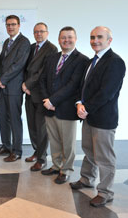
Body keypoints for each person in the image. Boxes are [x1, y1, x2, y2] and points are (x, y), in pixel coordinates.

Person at [70, 26, 125, 207]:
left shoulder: (115, 62)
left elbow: (107, 92)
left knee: (104, 157)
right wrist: (79, 103)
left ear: (109, 40)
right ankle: (86, 179)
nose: (95, 40)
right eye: (92, 37)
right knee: (89, 151)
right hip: (88, 115)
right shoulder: (93, 60)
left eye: (100, 37)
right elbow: (83, 87)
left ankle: (105, 192)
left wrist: (87, 108)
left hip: (103, 118)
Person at [40, 26, 88, 184]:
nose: (66, 40)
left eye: (69, 37)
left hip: (66, 108)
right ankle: (56, 165)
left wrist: (53, 101)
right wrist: (48, 101)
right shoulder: (52, 58)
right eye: (63, 37)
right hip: (49, 107)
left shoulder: (82, 60)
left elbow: (73, 85)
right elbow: (43, 80)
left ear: (75, 39)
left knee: (67, 143)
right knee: (54, 140)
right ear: (58, 39)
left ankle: (66, 169)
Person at [0, 15, 31, 162]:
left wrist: (3, 79)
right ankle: (6, 145)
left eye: (13, 24)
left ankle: (17, 151)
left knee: (15, 119)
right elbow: (2, 64)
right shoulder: (6, 42)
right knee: (3, 117)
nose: (10, 27)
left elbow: (18, 65)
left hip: (14, 87)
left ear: (19, 25)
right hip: (3, 87)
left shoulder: (24, 42)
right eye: (8, 25)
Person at [22, 23, 58, 171]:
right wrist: (24, 85)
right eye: (36, 32)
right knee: (32, 126)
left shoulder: (52, 49)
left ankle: (42, 158)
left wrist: (27, 85)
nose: (38, 34)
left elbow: (43, 71)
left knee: (41, 128)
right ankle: (37, 151)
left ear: (47, 33)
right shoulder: (31, 47)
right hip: (28, 93)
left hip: (41, 94)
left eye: (41, 31)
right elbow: (25, 68)